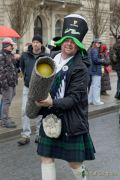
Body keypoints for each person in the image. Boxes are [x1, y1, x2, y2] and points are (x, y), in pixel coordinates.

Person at [35, 14, 95, 180]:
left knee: (74, 163)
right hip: (49, 115)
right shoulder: (49, 58)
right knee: (46, 157)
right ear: (62, 41)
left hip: (71, 119)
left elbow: (74, 98)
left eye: (74, 42)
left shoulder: (81, 68)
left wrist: (51, 102)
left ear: (78, 46)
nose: (69, 44)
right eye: (67, 39)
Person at [17, 35, 49, 146]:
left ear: (41, 44)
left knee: (39, 111)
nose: (35, 44)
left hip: (41, 88)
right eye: (34, 42)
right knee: (24, 110)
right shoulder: (25, 55)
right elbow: (22, 67)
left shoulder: (46, 56)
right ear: (32, 43)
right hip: (27, 87)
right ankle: (25, 134)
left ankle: (39, 134)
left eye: (38, 42)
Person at [0, 38, 19, 128]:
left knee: (6, 100)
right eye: (11, 45)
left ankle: (4, 116)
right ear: (6, 46)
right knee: (6, 101)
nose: (12, 46)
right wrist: (4, 84)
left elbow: (14, 66)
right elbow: (1, 71)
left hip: (12, 82)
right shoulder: (1, 55)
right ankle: (4, 120)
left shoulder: (10, 55)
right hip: (6, 83)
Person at [88, 38, 108, 105]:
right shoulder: (95, 50)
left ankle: (90, 100)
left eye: (99, 43)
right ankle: (96, 101)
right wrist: (102, 60)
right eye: (97, 43)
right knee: (96, 86)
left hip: (92, 70)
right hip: (96, 70)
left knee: (92, 85)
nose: (98, 44)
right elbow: (96, 60)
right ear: (94, 43)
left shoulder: (91, 49)